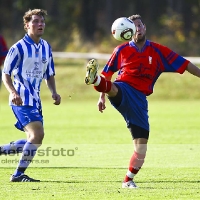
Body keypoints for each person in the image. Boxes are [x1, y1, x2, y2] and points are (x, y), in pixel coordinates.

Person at [84, 14, 200, 188]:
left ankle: (128, 179)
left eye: (139, 25)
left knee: (141, 148)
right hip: (122, 88)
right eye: (134, 26)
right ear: (128, 31)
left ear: (144, 27)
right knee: (115, 88)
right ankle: (93, 81)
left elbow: (184, 64)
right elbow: (107, 74)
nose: (137, 29)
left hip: (139, 100)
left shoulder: (159, 50)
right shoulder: (121, 50)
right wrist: (101, 96)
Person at [1, 9, 61, 182]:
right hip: (20, 99)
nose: (40, 24)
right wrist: (13, 92)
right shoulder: (18, 48)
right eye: (35, 21)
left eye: (42, 21)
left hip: (36, 100)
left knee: (31, 138)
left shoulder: (46, 47)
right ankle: (18, 174)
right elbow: (6, 74)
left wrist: (54, 92)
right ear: (27, 25)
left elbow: (49, 74)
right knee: (37, 135)